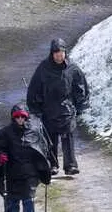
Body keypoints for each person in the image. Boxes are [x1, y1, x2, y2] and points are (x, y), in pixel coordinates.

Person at [0, 103, 54, 212]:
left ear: (27, 117)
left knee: (28, 201)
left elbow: (44, 148)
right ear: (13, 118)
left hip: (30, 174)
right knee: (12, 201)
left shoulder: (35, 132)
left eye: (23, 117)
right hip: (12, 173)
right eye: (17, 117)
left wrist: (45, 167)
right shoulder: (5, 133)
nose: (20, 120)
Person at [26, 37, 90, 175]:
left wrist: (80, 106)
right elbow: (34, 89)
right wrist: (35, 108)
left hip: (67, 109)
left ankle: (70, 165)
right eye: (56, 53)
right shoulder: (43, 68)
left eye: (61, 52)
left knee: (68, 137)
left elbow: (80, 87)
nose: (59, 55)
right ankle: (52, 165)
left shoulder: (73, 68)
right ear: (52, 54)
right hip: (48, 109)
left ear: (65, 53)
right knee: (50, 139)